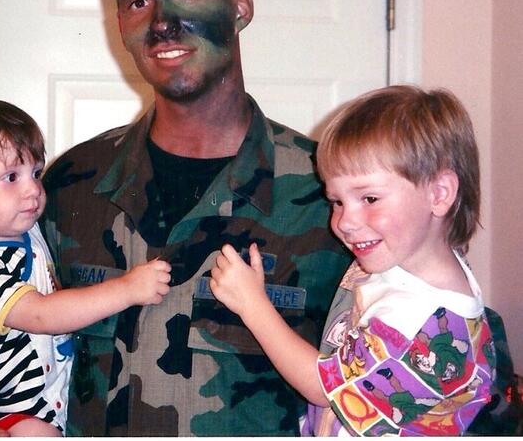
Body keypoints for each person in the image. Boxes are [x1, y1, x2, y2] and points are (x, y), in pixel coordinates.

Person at [40, 0, 351, 436]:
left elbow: (413, 381)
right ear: (120, 24)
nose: (162, 24)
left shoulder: (332, 198)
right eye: (139, 1)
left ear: (240, 6)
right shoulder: (69, 188)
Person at [210, 85, 496, 436]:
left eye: (370, 198)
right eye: (337, 201)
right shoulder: (410, 261)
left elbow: (321, 386)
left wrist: (252, 304)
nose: (345, 222)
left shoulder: (418, 326)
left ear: (439, 194)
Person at [0, 100, 171, 436]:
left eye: (36, 172)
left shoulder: (26, 232)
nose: (33, 188)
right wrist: (127, 289)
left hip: (46, 407)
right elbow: (41, 314)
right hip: (8, 416)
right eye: (11, 177)